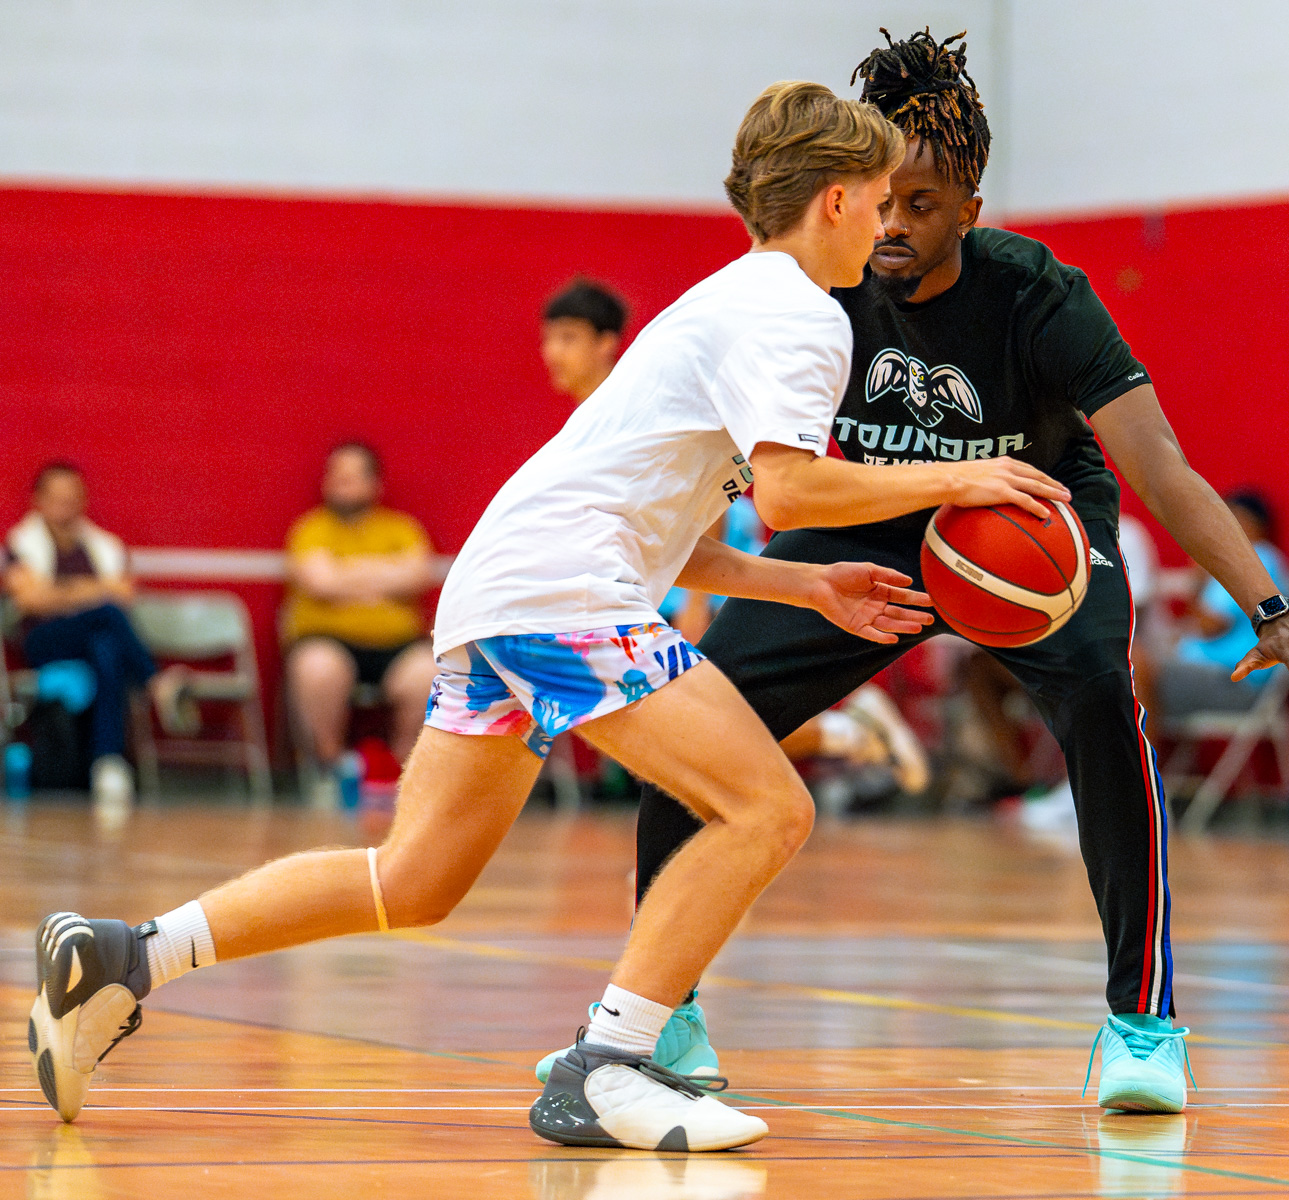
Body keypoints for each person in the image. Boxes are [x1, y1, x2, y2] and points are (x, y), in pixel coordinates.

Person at [29, 80, 1068, 1152]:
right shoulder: (799, 313)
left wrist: (805, 585)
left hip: (508, 586)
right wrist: (963, 477)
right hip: (564, 591)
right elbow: (792, 494)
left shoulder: (733, 298)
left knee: (413, 878)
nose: (892, 222)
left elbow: (673, 527)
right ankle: (611, 1062)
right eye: (884, 198)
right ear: (840, 200)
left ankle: (121, 958)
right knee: (768, 809)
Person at [603, 30, 1289, 1117]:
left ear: (970, 205)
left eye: (925, 205)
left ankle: (1142, 1027)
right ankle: (660, 1012)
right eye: (884, 203)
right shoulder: (809, 290)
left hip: (1029, 522)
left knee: (1107, 700)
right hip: (869, 515)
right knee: (700, 711)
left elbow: (1159, 462)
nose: (896, 228)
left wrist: (1268, 601)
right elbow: (751, 474)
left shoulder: (1037, 296)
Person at [4, 463, 193, 806]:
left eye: (73, 498)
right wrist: (95, 590)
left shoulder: (103, 546)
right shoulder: (21, 543)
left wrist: (60, 592)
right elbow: (31, 599)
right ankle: (155, 684)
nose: (66, 506)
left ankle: (107, 765)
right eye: (58, 498)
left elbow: (126, 594)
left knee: (105, 646)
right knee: (106, 616)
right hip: (44, 641)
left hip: (91, 645)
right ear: (39, 501)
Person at [283, 443, 438, 800]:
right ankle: (332, 771)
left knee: (428, 674)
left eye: (350, 478)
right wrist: (382, 577)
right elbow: (320, 582)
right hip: (326, 640)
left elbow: (416, 575)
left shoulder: (402, 529)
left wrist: (344, 575)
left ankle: (399, 776)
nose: (339, 484)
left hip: (397, 645)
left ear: (374, 485)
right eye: (334, 477)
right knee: (318, 668)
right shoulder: (311, 529)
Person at [1156, 491, 1289, 725]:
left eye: (1229, 518)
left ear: (1249, 523)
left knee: (1137, 677)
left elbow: (1212, 624)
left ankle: (1139, 760)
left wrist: (1198, 580)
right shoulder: (1265, 560)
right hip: (1229, 678)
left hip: (1235, 683)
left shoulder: (1253, 559)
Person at [541, 277, 628, 405]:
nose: (553, 350)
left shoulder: (633, 412)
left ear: (606, 343)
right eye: (548, 338)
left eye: (568, 337)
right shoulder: (585, 415)